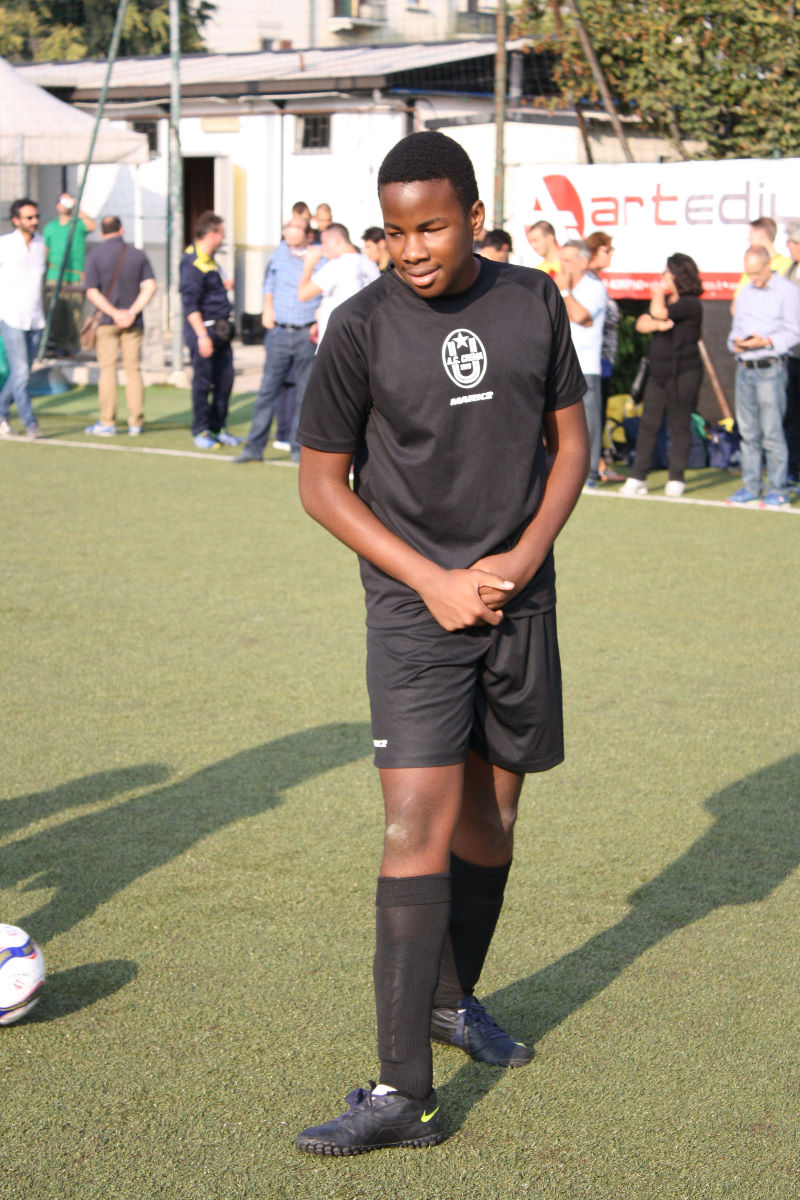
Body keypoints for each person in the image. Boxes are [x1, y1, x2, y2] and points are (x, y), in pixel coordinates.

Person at [293, 130, 589, 1156]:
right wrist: (432, 579)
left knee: (490, 825)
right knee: (414, 822)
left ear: (472, 216)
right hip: (414, 612)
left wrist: (520, 559)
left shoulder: (532, 300)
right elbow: (320, 484)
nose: (410, 249)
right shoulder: (359, 326)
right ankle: (399, 1093)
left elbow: (570, 444)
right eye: (393, 231)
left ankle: (452, 1001)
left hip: (518, 602)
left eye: (430, 227)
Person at [232, 214, 319, 464]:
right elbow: (269, 283)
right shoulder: (279, 254)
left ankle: (298, 450)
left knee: (305, 395)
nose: (290, 230)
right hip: (279, 332)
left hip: (306, 334)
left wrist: (318, 320)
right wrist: (267, 307)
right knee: (267, 392)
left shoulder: (319, 257)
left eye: (296, 226)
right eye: (288, 226)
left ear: (308, 234)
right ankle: (254, 448)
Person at [620, 254, 704, 499]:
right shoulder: (668, 301)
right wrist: (657, 324)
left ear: (677, 275)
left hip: (684, 373)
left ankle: (676, 477)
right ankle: (638, 476)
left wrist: (657, 296)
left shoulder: (690, 303)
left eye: (667, 272)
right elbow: (642, 323)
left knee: (679, 424)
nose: (663, 277)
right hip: (657, 374)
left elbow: (658, 311)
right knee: (648, 424)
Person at [726, 246, 800, 507]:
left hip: (771, 369)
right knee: (748, 433)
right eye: (750, 274)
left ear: (769, 265)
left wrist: (766, 341)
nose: (754, 279)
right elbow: (735, 330)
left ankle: (778, 490)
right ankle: (751, 486)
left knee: (772, 432)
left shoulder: (788, 292)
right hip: (744, 368)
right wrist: (736, 343)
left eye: (757, 273)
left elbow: (794, 332)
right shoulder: (745, 293)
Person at [82, 216, 157, 437]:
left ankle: (107, 422)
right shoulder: (137, 254)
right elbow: (150, 286)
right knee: (133, 370)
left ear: (102, 233)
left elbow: (92, 291)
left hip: (106, 322)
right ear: (122, 230)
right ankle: (136, 422)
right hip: (133, 322)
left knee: (108, 370)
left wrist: (114, 313)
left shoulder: (95, 255)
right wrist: (131, 312)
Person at [179, 211, 240, 450]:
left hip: (221, 330)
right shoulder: (191, 262)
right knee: (203, 383)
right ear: (212, 233)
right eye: (222, 233)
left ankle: (217, 427)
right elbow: (190, 304)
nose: (224, 238)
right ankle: (201, 429)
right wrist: (202, 336)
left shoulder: (210, 258)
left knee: (225, 381)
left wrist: (223, 285)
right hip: (204, 331)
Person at [555, 239, 607, 488]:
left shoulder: (594, 287)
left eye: (568, 260)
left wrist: (565, 293)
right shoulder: (560, 287)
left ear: (583, 262)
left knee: (589, 422)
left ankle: (592, 473)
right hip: (559, 364)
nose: (562, 266)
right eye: (561, 260)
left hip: (586, 366)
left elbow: (579, 315)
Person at [0, 198, 46, 440]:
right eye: (29, 217)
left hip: (35, 319)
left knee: (22, 373)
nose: (34, 221)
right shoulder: (5, 244)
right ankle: (31, 423)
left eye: (36, 216)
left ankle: (0, 412)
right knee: (21, 375)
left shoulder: (40, 243)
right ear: (16, 220)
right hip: (11, 318)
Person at [297, 222, 379, 344]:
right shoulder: (370, 264)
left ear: (337, 241)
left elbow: (303, 294)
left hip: (336, 342)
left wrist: (308, 265)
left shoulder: (337, 265)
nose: (322, 248)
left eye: (324, 242)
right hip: (361, 339)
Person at [585, 231, 623, 483]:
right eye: (607, 250)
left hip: (602, 360)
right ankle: (591, 468)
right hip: (590, 359)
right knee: (590, 417)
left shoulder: (595, 280)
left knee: (597, 416)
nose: (611, 254)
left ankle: (597, 463)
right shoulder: (585, 280)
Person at [42, 192, 96, 355]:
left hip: (75, 275)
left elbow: (92, 226)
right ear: (57, 205)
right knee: (56, 311)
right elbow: (45, 251)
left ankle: (72, 346)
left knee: (74, 311)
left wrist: (76, 206)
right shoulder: (50, 227)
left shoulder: (78, 224)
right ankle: (58, 345)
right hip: (54, 275)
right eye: (63, 201)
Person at [782, 220, 800, 488]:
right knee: (792, 414)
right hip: (792, 355)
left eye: (793, 242)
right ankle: (793, 468)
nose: (789, 246)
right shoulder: (790, 269)